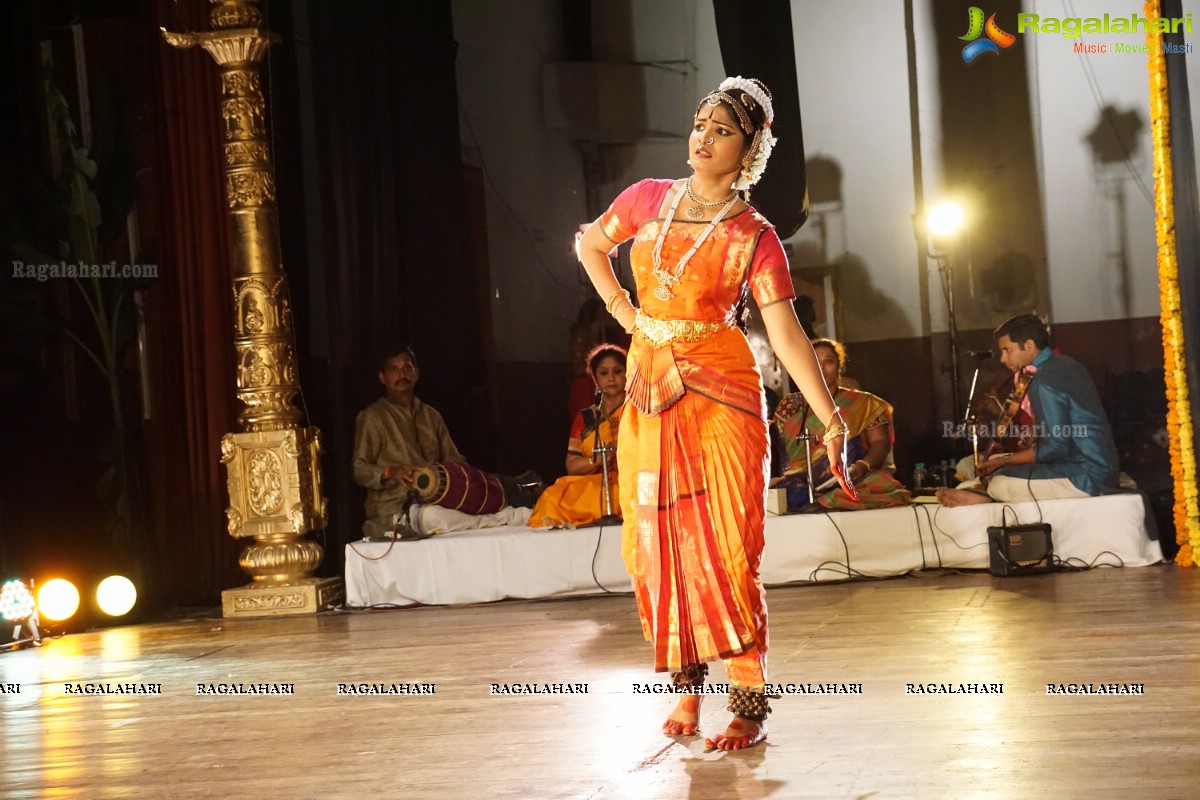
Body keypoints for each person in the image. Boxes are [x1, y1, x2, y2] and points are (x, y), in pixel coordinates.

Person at [574, 76, 851, 751]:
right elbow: (589, 244)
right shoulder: (647, 199)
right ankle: (688, 690)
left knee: (727, 546)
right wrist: (624, 312)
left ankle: (748, 701)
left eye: (722, 130)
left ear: (749, 150)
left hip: (722, 391)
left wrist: (830, 417)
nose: (703, 137)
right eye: (700, 123)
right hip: (650, 391)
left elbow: (784, 335)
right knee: (658, 548)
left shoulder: (755, 237)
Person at [352, 346, 536, 539]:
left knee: (459, 508)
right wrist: (390, 471)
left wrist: (473, 483)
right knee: (435, 517)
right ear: (382, 378)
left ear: (416, 374)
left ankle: (509, 511)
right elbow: (359, 468)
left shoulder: (431, 415)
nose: (402, 374)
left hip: (437, 499)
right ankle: (509, 517)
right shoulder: (372, 417)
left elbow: (454, 458)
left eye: (407, 367)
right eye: (393, 369)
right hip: (395, 509)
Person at [937, 314, 1121, 507]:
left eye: (1007, 350)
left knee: (999, 480)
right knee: (998, 465)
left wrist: (1004, 462)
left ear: (1030, 346)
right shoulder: (1068, 364)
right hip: (1102, 467)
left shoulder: (1042, 381)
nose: (1002, 358)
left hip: (1086, 475)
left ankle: (987, 496)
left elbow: (1056, 446)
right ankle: (983, 490)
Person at [772, 338, 911, 510]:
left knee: (883, 486)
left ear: (839, 367)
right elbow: (777, 452)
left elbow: (880, 442)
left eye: (829, 361)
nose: (821, 367)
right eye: (815, 361)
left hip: (851, 477)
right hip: (798, 481)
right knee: (779, 495)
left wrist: (863, 465)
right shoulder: (790, 406)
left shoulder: (862, 403)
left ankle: (827, 500)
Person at [529, 344, 627, 528]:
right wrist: (597, 460)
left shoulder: (638, 411)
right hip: (595, 483)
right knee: (552, 497)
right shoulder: (586, 418)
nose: (612, 378)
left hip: (629, 481)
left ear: (627, 373)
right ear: (595, 379)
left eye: (618, 371)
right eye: (604, 373)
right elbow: (572, 466)